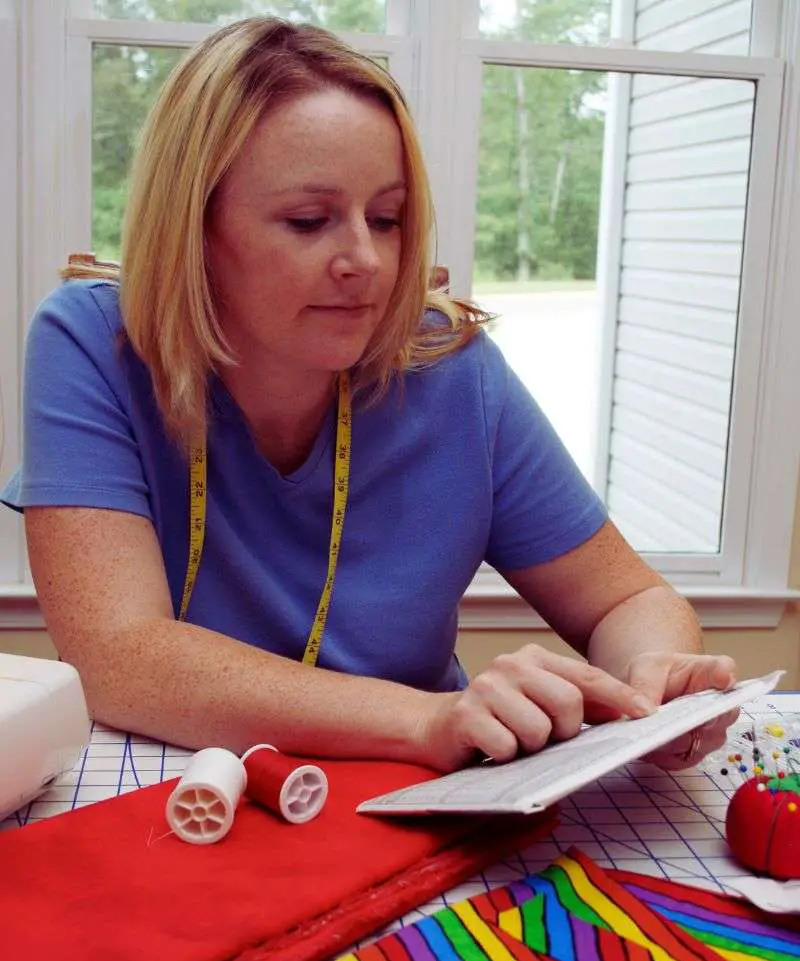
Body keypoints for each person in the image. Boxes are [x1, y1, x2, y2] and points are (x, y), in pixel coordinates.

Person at [2, 16, 737, 774]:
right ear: (192, 226)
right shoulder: (94, 341)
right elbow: (118, 657)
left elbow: (623, 601)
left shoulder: (450, 366)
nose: (367, 259)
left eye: (387, 219)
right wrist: (426, 719)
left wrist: (659, 672)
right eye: (310, 220)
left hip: (410, 793)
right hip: (180, 793)